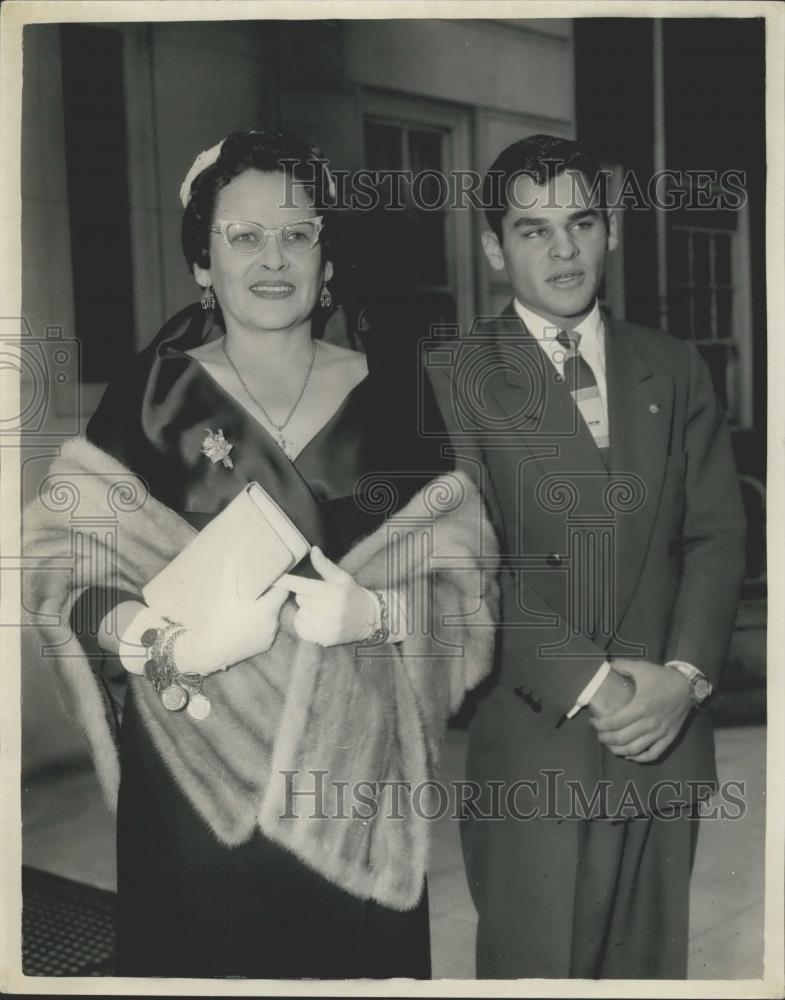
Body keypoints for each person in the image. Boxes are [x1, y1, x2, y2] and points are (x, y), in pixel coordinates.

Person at [24, 130, 498, 979]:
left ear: (327, 258)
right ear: (202, 263)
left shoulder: (395, 394)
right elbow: (70, 575)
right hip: (194, 771)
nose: (271, 258)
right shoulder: (150, 399)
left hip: (354, 777)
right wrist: (163, 642)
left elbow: (458, 587)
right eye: (242, 236)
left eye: (296, 233)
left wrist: (381, 612)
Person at [426, 134, 746, 979]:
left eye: (581, 222)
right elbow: (467, 569)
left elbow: (716, 534)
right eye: (533, 230)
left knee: (648, 972)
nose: (563, 249)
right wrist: (599, 686)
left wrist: (682, 677)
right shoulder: (452, 376)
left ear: (608, 231)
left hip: (664, 739)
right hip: (539, 741)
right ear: (495, 249)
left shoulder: (673, 368)